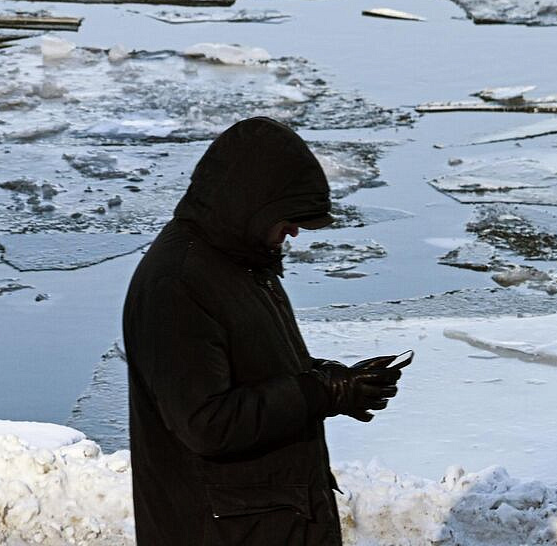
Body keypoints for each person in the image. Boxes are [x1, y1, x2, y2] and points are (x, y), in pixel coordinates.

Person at [121, 116, 407, 545]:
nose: (294, 230)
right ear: (251, 203)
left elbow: (258, 366)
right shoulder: (178, 284)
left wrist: (337, 381)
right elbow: (207, 423)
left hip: (262, 522)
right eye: (287, 217)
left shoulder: (242, 260)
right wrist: (320, 392)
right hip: (220, 529)